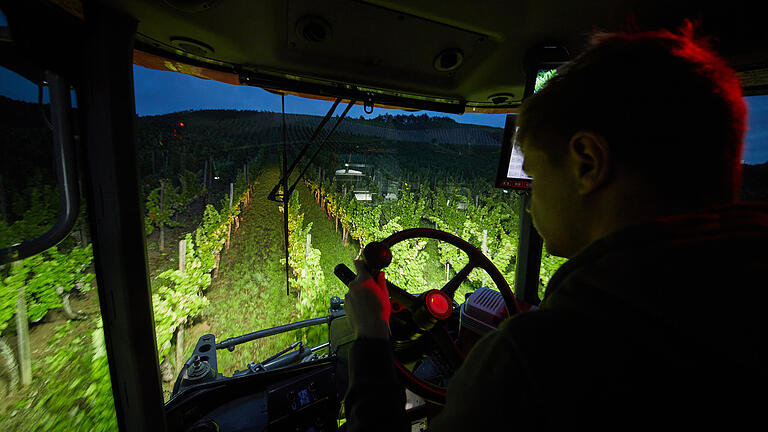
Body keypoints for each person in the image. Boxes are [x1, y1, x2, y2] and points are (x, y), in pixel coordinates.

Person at [342, 22, 768, 432]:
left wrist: (372, 336)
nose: (529, 200)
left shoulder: (536, 364)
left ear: (586, 162)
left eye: (535, 176)